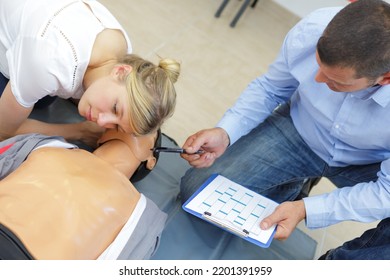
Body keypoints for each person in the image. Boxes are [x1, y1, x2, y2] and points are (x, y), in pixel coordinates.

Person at [180, 0, 390, 260]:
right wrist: (226, 132)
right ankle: (295, 183)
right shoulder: (315, 27)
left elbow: (386, 192)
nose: (317, 80)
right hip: (300, 130)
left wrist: (306, 209)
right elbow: (271, 89)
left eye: (335, 82)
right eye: (318, 66)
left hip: (371, 162)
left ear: (385, 78)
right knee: (199, 191)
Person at [0, 0, 180, 147]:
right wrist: (79, 131)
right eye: (115, 108)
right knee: (40, 101)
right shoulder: (51, 61)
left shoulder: (120, 48)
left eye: (116, 125)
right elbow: (3, 131)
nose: (101, 122)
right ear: (120, 71)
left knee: (41, 99)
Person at [0, 129, 166, 260]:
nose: (134, 123)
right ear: (101, 135)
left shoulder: (144, 214)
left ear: (151, 161)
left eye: (147, 126)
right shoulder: (46, 144)